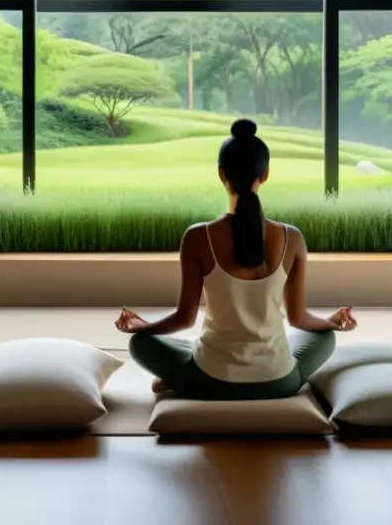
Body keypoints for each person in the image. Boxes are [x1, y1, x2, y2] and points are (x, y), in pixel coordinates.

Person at [115, 118, 357, 400]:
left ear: (221, 174)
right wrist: (332, 321)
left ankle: (178, 378)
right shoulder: (293, 238)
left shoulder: (198, 237)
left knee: (140, 344)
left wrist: (143, 327)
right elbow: (299, 318)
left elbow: (184, 318)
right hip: (279, 381)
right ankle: (187, 373)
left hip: (211, 381)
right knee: (325, 337)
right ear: (265, 174)